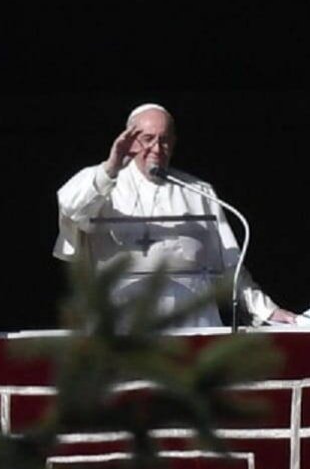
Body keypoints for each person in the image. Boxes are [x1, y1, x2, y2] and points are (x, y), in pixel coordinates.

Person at [53, 104, 296, 328]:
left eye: (164, 140)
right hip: (122, 328)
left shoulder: (198, 192)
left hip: (192, 324)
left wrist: (267, 311)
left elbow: (230, 265)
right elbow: (71, 209)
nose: (157, 148)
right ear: (129, 140)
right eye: (147, 139)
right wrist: (111, 166)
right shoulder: (103, 182)